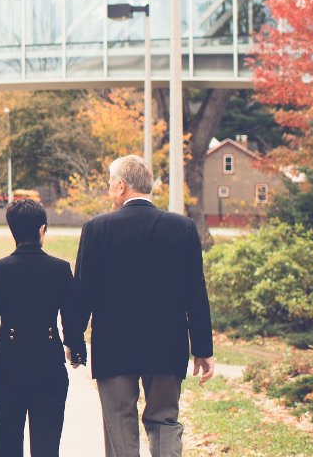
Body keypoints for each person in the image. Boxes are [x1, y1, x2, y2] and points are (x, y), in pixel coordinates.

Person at [68, 155, 214, 457]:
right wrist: (203, 348)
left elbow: (83, 291)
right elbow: (195, 293)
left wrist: (73, 339)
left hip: (114, 345)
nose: (110, 192)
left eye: (111, 185)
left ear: (121, 187)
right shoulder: (183, 228)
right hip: (167, 344)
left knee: (119, 422)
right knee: (165, 421)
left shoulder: (97, 228)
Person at [0, 199, 85, 457]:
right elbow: (71, 317)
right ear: (41, 229)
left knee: (8, 445)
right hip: (48, 366)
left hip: (7, 367)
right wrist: (76, 350)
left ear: (12, 230)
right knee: (47, 447)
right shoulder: (60, 269)